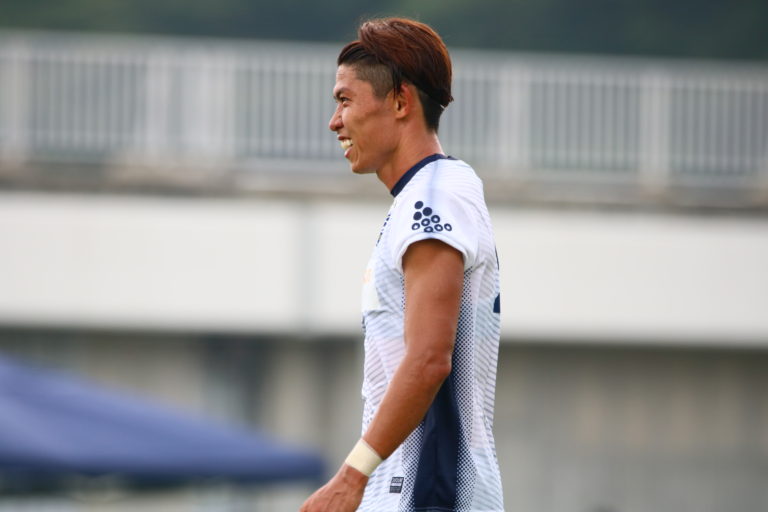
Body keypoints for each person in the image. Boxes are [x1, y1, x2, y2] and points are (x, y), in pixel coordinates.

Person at [300, 17, 503, 512]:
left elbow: (429, 358)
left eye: (345, 100)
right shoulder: (429, 194)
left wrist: (351, 476)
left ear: (399, 101)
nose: (334, 121)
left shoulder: (432, 198)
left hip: (429, 493)